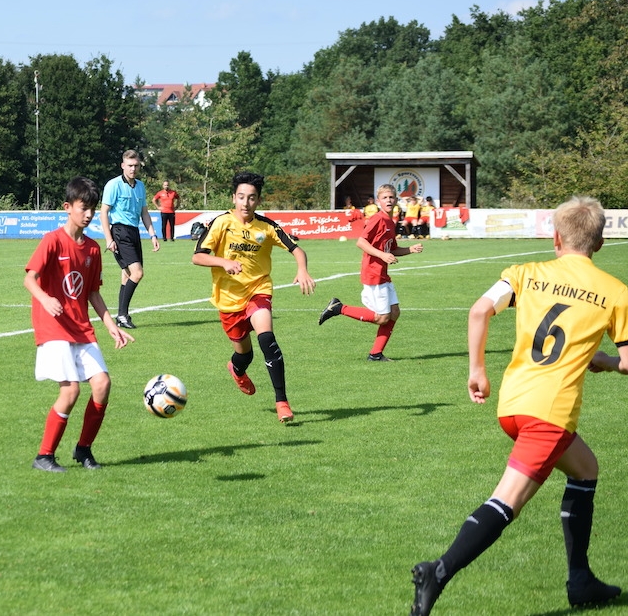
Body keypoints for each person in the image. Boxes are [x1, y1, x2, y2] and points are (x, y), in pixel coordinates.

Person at [409, 196, 628, 615]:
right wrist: (605, 361)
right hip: (551, 412)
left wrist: (477, 370)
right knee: (507, 501)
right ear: (600, 244)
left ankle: (581, 580)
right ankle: (438, 570)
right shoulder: (616, 292)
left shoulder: (525, 273)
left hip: (513, 404)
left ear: (556, 238)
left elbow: (479, 311)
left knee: (586, 468)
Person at [24, 176, 134, 473]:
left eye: (92, 209)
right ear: (67, 207)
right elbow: (29, 279)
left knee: (102, 384)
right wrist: (45, 299)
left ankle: (83, 449)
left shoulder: (93, 250)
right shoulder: (52, 240)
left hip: (80, 327)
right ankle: (44, 456)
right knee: (71, 391)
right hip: (53, 327)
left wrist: (111, 325)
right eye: (83, 208)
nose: (88, 214)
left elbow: (93, 293)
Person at [192, 171, 316, 424]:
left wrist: (302, 269)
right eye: (241, 197)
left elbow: (296, 249)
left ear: (258, 200)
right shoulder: (221, 223)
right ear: (233, 198)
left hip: (258, 289)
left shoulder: (267, 227)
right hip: (228, 298)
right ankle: (236, 369)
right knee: (244, 355)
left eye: (251, 198)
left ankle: (282, 402)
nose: (246, 203)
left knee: (267, 339)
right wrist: (224, 262)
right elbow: (198, 256)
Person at [317, 183, 423, 361]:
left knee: (394, 313)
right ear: (378, 201)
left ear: (396, 200)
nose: (388, 200)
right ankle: (339, 308)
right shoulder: (377, 219)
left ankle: (376, 354)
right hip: (373, 274)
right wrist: (382, 255)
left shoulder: (390, 221)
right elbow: (361, 242)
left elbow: (392, 249)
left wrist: (410, 250)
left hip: (383, 274)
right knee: (382, 318)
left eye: (391, 197)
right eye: (384, 197)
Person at [100, 150, 160, 329]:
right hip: (120, 232)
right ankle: (122, 315)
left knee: (127, 275)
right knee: (137, 273)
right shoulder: (113, 185)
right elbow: (104, 212)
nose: (133, 169)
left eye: (136, 166)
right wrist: (109, 239)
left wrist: (152, 234)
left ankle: (122, 316)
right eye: (130, 165)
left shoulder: (140, 186)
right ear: (123, 165)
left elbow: (144, 213)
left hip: (134, 232)